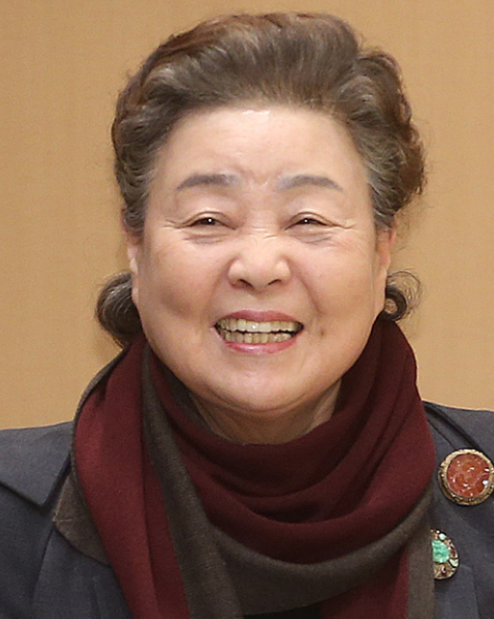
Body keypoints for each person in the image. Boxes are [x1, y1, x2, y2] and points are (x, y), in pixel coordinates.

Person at [1, 12, 493, 619]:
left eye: (308, 220)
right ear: (136, 247)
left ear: (381, 250)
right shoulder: (11, 519)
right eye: (209, 220)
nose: (259, 266)